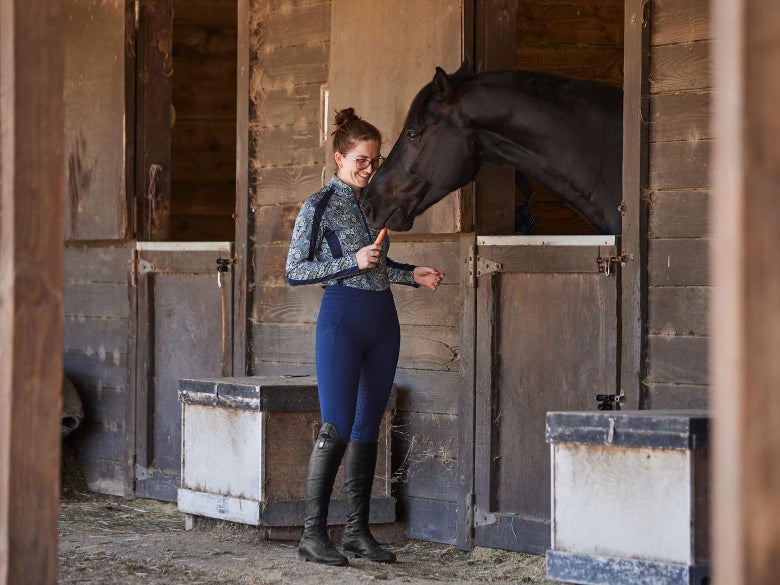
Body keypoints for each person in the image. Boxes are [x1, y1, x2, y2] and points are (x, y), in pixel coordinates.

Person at [286, 108, 444, 566]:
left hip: (382, 322)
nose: (369, 169)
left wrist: (412, 274)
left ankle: (357, 534)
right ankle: (312, 536)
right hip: (342, 321)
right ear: (339, 157)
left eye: (374, 161)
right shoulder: (318, 205)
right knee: (334, 426)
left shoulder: (375, 203)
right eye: (361, 160)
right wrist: (348, 262)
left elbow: (374, 265)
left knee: (366, 427)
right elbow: (296, 271)